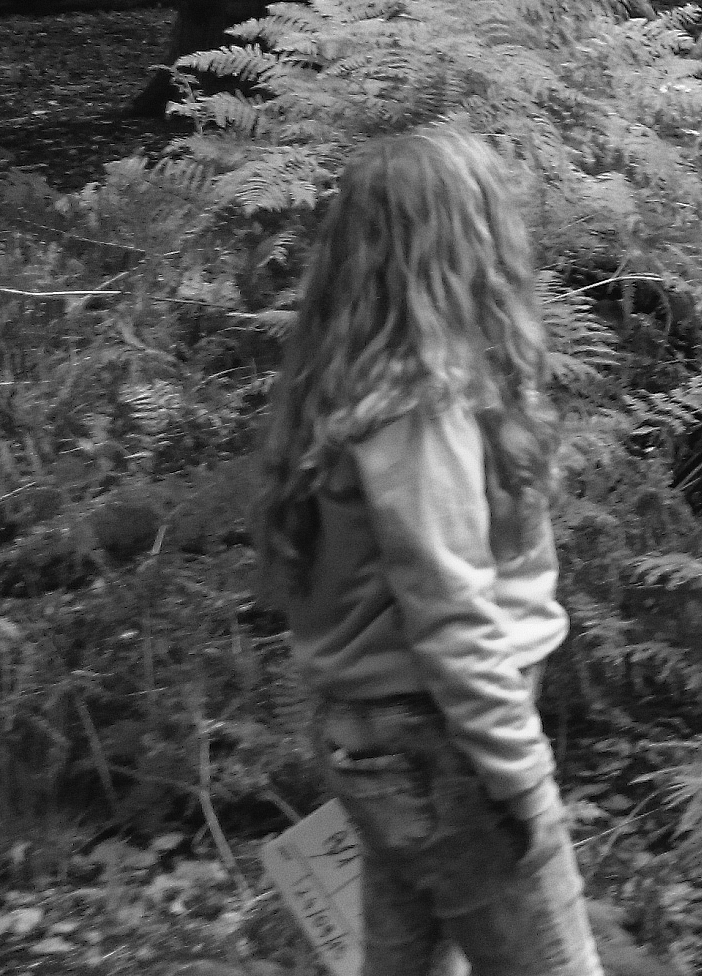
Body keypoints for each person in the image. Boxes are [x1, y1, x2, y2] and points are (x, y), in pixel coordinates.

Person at [256, 130, 601, 976]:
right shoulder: (421, 409)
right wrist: (519, 777)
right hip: (442, 749)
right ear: (460, 242)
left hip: (389, 743)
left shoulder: (347, 385)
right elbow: (450, 610)